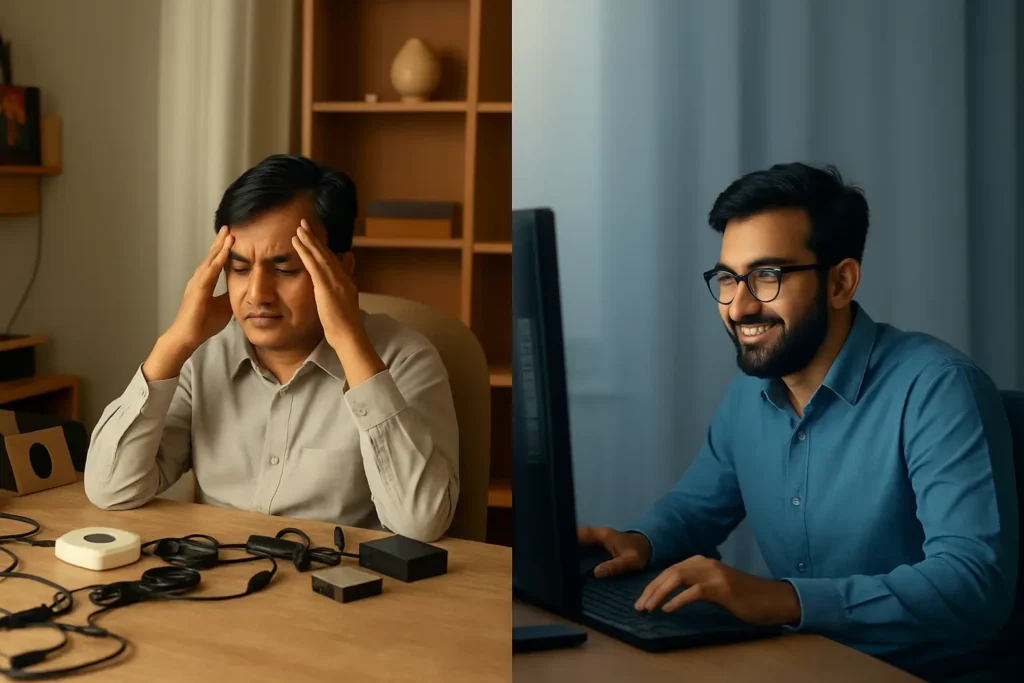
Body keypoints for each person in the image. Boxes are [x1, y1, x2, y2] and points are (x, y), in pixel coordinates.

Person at [577, 163, 1018, 677]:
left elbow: (972, 588)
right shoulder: (750, 394)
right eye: (727, 278)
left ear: (840, 282)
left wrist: (783, 600)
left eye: (767, 276)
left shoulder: (939, 389)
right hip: (805, 666)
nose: (738, 307)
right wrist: (640, 542)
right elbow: (697, 509)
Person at [84, 154, 459, 542]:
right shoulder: (205, 356)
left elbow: (422, 523)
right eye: (240, 269)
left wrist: (350, 343)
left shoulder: (406, 360)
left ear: (342, 268)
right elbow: (111, 489)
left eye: (285, 270)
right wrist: (175, 341)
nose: (258, 295)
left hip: (338, 589)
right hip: (219, 586)